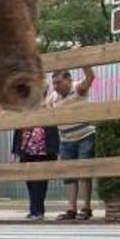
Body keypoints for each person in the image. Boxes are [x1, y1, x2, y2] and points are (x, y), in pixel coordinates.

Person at [46, 68, 98, 220]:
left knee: (83, 172)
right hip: (66, 139)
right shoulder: (53, 98)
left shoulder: (78, 88)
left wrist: (82, 61)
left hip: (85, 135)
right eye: (54, 83)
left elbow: (90, 77)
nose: (55, 86)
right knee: (69, 175)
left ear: (68, 80)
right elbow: (44, 110)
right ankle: (71, 209)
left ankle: (86, 208)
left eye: (58, 82)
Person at [11, 93, 59, 221]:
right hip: (26, 150)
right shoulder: (24, 109)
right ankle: (35, 210)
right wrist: (16, 152)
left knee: (40, 182)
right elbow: (18, 132)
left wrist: (54, 150)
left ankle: (37, 210)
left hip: (43, 150)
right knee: (30, 182)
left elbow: (53, 129)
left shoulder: (47, 106)